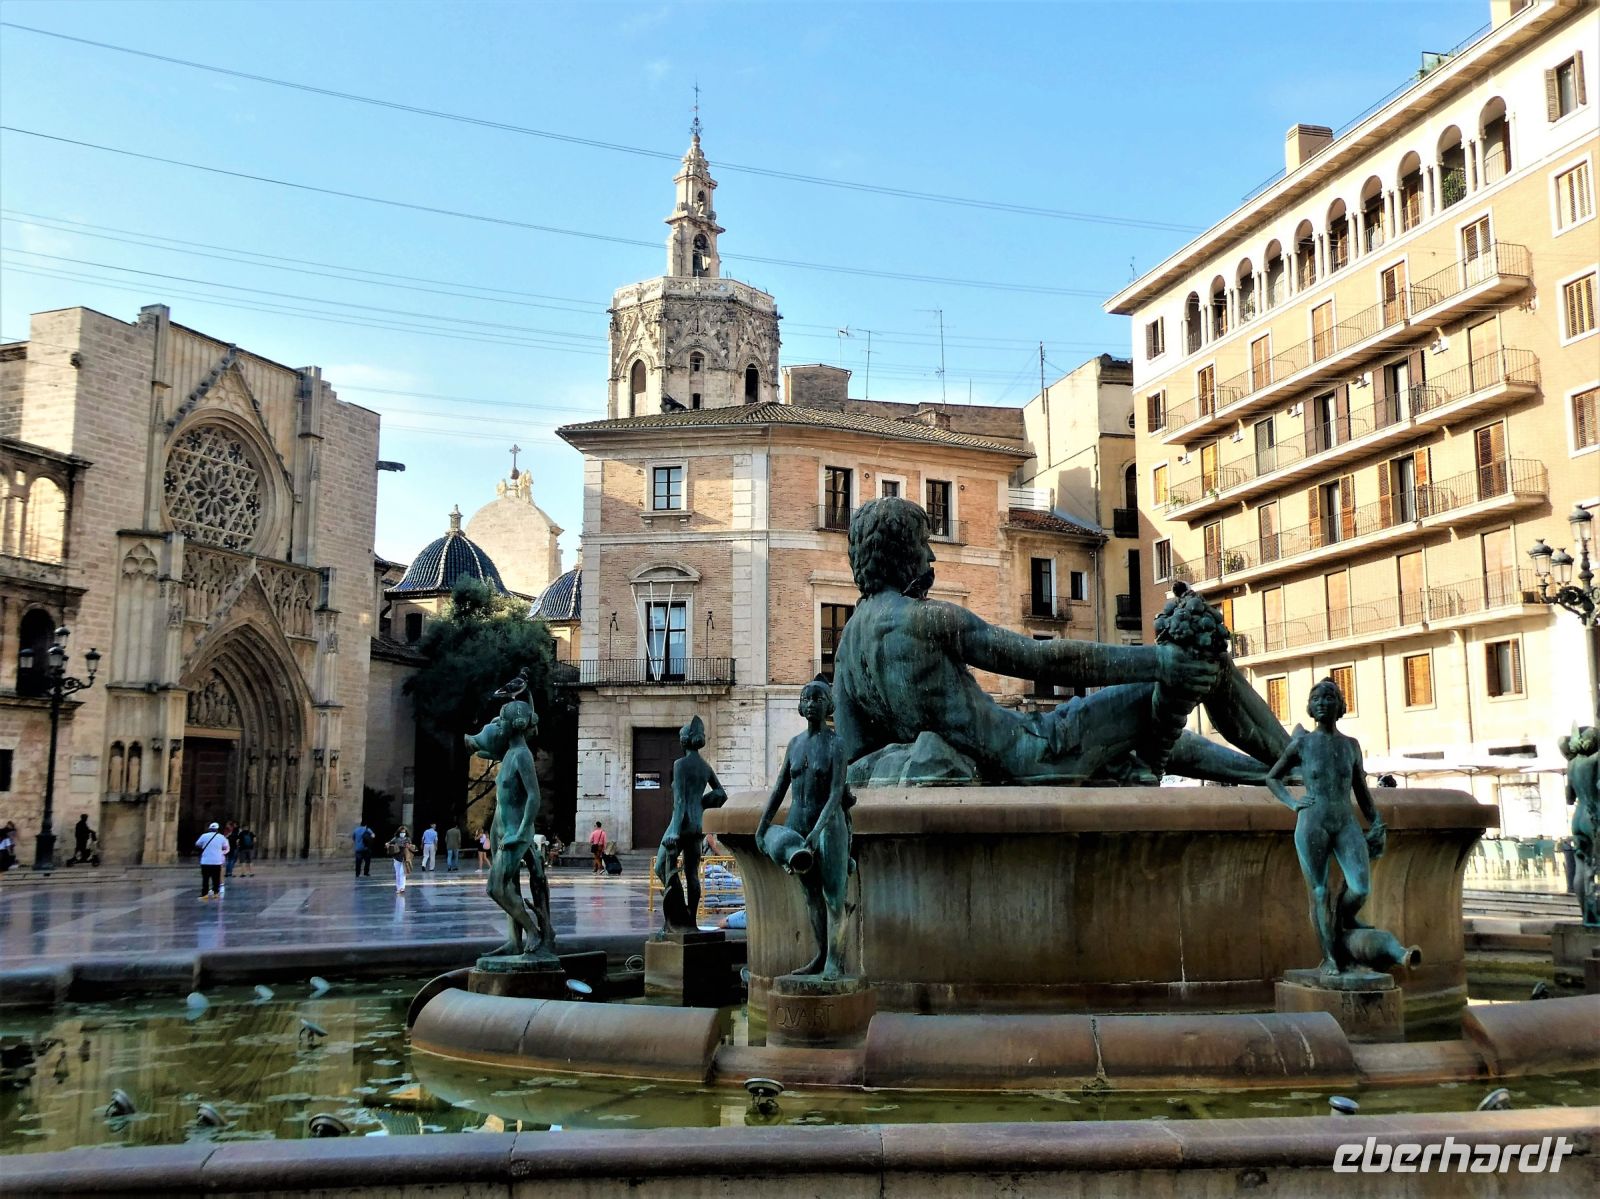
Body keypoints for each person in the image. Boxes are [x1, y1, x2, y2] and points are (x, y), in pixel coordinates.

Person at [832, 498, 1287, 785]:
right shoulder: (928, 618)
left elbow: (856, 756)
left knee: (1155, 734)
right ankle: (1294, 763)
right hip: (1037, 750)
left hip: (1004, 758)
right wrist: (1160, 662)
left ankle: (1273, 775)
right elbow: (1046, 659)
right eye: (923, 543)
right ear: (902, 551)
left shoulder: (849, 644)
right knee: (1205, 667)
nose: (931, 555)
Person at [1263, 678, 1386, 976]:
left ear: (1339, 705)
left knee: (1360, 887)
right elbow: (1272, 778)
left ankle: (1341, 921)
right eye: (1316, 698)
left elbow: (1361, 790)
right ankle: (1331, 957)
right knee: (1319, 892)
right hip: (1312, 822)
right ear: (1310, 707)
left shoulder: (1350, 746)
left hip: (1345, 821)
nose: (1321, 702)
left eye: (1328, 697)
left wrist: (1376, 820)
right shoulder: (1302, 744)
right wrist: (1293, 804)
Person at [757, 678, 853, 977]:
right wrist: (763, 827)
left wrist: (816, 832)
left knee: (833, 896)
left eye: (818, 698)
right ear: (800, 706)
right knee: (811, 897)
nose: (811, 703)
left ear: (829, 706)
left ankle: (835, 964)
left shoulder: (836, 744)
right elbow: (779, 788)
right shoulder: (795, 745)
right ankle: (820, 955)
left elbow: (837, 793)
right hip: (798, 822)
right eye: (807, 698)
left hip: (829, 825)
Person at [654, 715, 727, 933]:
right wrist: (702, 806)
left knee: (660, 866)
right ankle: (691, 921)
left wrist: (674, 832)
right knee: (692, 874)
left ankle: (676, 918)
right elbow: (721, 793)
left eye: (680, 736)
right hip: (697, 825)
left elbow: (680, 802)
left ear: (685, 739)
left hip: (681, 824)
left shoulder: (680, 764)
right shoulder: (705, 767)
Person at [195, 822, 230, 901]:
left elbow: (197, 844)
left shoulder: (204, 836)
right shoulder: (221, 837)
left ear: (209, 828)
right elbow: (225, 847)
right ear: (217, 829)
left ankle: (204, 894)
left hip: (206, 861)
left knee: (205, 878)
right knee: (216, 878)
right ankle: (216, 893)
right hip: (217, 861)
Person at [386, 825, 411, 893]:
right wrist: (387, 844)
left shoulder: (407, 839)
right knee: (397, 873)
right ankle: (398, 887)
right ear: (399, 832)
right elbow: (389, 843)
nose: (403, 833)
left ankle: (402, 887)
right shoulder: (396, 838)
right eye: (401, 832)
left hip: (404, 857)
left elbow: (410, 846)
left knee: (402, 872)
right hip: (396, 857)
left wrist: (408, 845)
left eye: (404, 832)